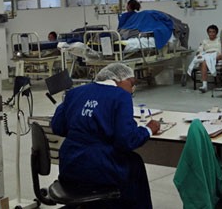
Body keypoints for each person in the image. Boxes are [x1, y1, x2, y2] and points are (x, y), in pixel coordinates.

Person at [51, 63, 160, 209]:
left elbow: (57, 126)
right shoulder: (121, 96)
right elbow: (126, 141)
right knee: (135, 163)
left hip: (69, 165)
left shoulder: (74, 93)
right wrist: (148, 130)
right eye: (132, 83)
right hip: (99, 168)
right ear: (120, 79)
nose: (132, 89)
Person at [187, 24, 222, 93]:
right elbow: (199, 50)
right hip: (206, 55)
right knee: (204, 62)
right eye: (210, 32)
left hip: (217, 55)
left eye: (213, 32)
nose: (211, 33)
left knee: (217, 56)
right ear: (207, 33)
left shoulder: (220, 40)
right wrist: (199, 55)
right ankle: (204, 86)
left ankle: (205, 84)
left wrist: (216, 54)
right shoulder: (205, 41)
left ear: (216, 33)